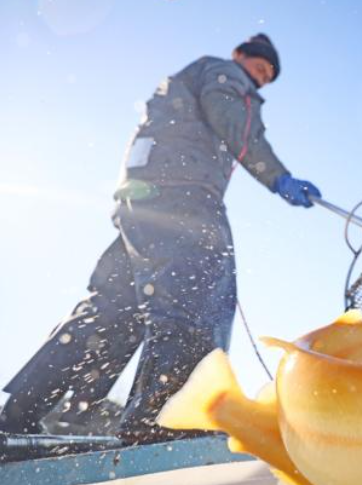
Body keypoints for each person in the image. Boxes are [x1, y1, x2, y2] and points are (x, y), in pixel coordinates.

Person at [0, 34, 321, 442]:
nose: (259, 81)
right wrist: (277, 176)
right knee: (196, 293)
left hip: (144, 198)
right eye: (259, 69)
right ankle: (160, 418)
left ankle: (21, 413)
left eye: (266, 78)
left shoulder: (192, 79)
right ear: (241, 55)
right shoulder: (225, 74)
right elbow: (231, 119)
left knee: (115, 308)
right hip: (182, 197)